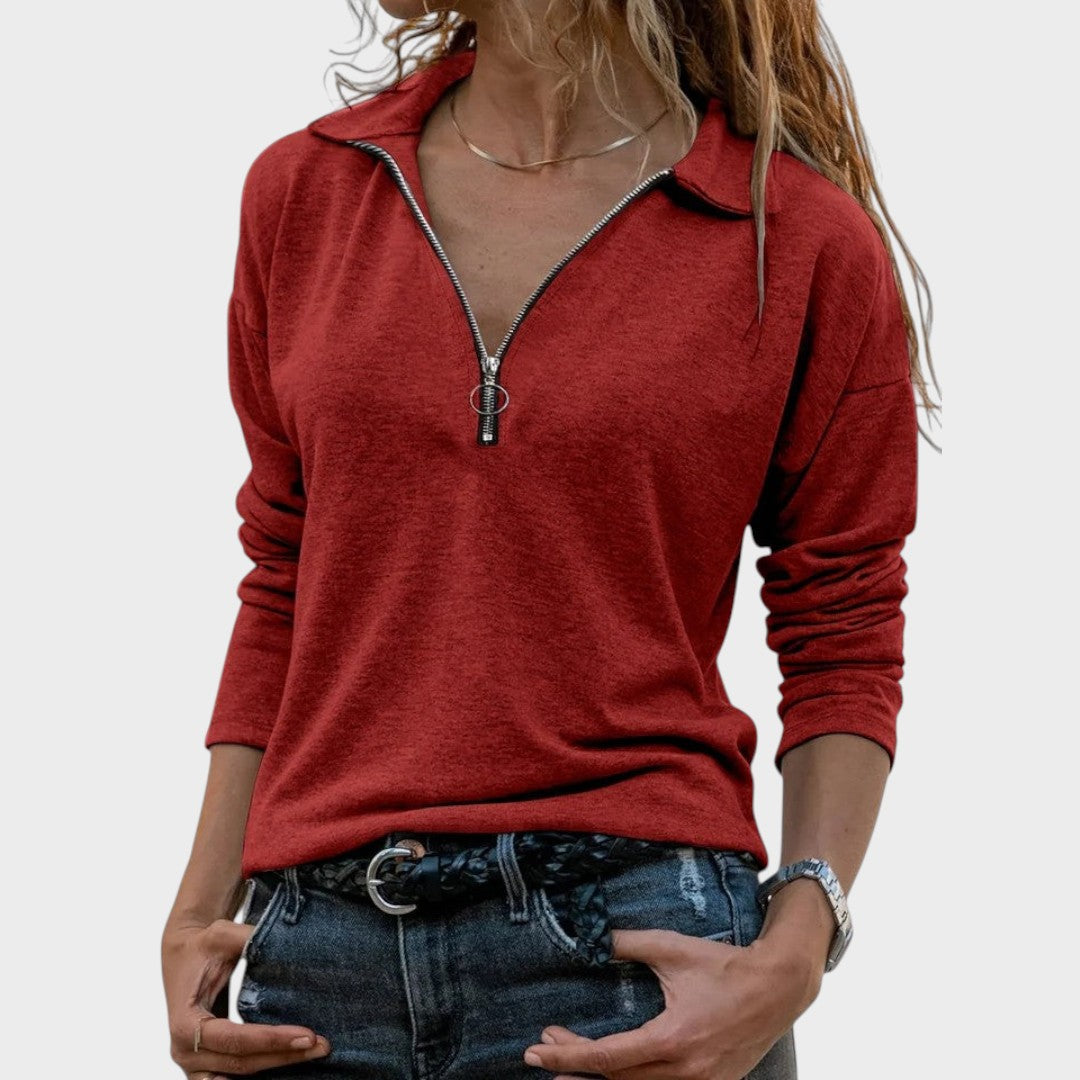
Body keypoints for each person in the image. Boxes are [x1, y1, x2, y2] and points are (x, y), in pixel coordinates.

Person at [161, 2, 938, 1078]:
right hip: (316, 965)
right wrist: (196, 910)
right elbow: (286, 572)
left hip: (632, 956)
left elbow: (842, 620)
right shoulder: (308, 193)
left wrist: (802, 940)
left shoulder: (792, 235)